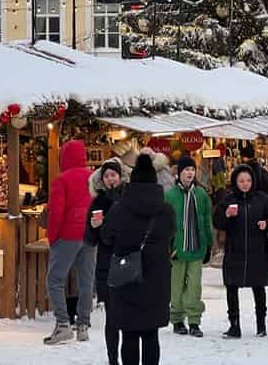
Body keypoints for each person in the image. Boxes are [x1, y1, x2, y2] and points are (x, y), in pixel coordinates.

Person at [101, 152, 174, 365]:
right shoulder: (166, 211)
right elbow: (171, 234)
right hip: (156, 281)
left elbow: (106, 236)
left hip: (127, 279)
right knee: (151, 335)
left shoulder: (119, 209)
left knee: (129, 335)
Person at [213, 164, 268, 339]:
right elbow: (217, 222)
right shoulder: (228, 199)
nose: (245, 184)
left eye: (248, 180)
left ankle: (261, 325)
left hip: (257, 251)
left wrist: (267, 223)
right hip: (234, 251)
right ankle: (234, 325)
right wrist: (227, 215)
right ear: (235, 181)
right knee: (231, 288)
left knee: (258, 288)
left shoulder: (262, 199)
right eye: (241, 180)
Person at [44, 139, 95, 346]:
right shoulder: (93, 177)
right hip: (88, 235)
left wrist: (52, 237)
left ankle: (63, 325)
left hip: (67, 235)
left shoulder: (62, 180)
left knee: (55, 280)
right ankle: (83, 327)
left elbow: (56, 213)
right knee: (86, 281)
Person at [84, 158, 129, 365]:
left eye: (113, 175)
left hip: (128, 262)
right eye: (107, 176)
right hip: (107, 264)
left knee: (128, 316)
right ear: (102, 180)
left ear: (120, 176)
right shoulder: (98, 202)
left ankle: (128, 357)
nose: (111, 179)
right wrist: (93, 227)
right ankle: (112, 359)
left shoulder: (129, 198)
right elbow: (90, 239)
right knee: (112, 316)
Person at [164, 156, 214, 338]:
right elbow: (164, 224)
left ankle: (194, 321)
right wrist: (167, 246)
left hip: (197, 248)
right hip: (177, 249)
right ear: (179, 173)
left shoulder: (201, 195)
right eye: (186, 169)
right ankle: (177, 319)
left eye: (192, 169)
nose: (190, 173)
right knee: (176, 286)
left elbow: (207, 220)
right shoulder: (170, 195)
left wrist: (209, 243)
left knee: (194, 286)